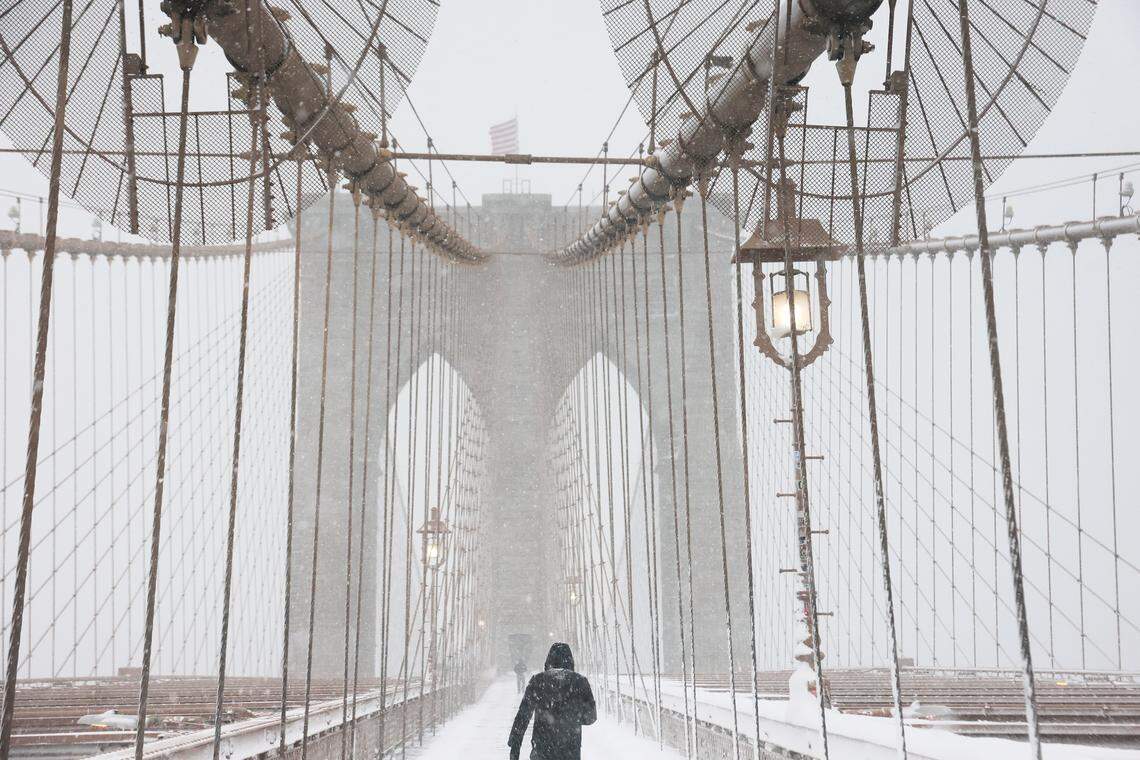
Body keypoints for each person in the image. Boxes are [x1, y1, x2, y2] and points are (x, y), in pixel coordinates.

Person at [507, 642, 596, 760]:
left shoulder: (538, 681)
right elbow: (590, 718)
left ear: (549, 660)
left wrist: (515, 746)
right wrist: (571, 718)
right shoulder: (580, 681)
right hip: (570, 750)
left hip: (542, 748)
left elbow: (523, 716)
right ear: (570, 660)